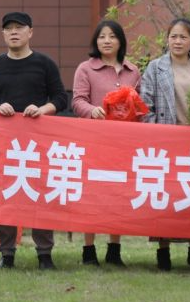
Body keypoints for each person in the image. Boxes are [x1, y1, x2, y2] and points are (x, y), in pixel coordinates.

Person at [0, 11, 68, 271]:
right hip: (4, 143)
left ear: (30, 32)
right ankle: (6, 253)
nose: (14, 32)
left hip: (38, 142)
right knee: (6, 196)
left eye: (19, 27)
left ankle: (44, 253)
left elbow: (61, 98)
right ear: (3, 34)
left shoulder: (44, 64)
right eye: (9, 28)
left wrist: (42, 109)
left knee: (40, 196)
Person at [138, 18, 190, 272]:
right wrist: (157, 133)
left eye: (183, 37)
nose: (178, 41)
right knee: (166, 197)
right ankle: (163, 251)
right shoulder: (155, 67)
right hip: (166, 141)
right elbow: (145, 105)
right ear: (167, 39)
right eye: (173, 36)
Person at [71, 19, 140, 268]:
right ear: (96, 41)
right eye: (102, 37)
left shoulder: (133, 71)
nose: (107, 41)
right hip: (94, 141)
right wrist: (92, 110)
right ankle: (88, 249)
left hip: (122, 143)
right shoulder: (86, 69)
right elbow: (77, 100)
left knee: (118, 194)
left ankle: (114, 249)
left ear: (120, 41)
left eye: (112, 36)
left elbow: (139, 104)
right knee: (92, 194)